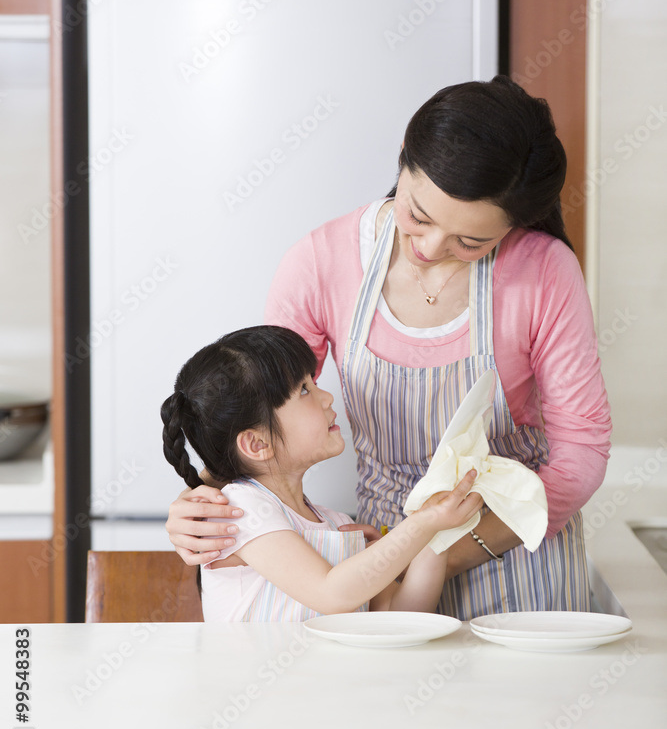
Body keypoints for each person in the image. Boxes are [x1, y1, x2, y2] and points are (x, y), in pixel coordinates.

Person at [164, 75, 612, 620]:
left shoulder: (543, 272)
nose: (430, 248)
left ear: (513, 226)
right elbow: (259, 407)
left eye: (470, 243)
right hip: (380, 558)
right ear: (403, 157)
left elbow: (581, 452)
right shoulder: (321, 261)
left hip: (517, 552)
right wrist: (204, 502)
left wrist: (448, 553)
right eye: (418, 216)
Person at [160, 325, 482, 621]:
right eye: (303, 390)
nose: (327, 397)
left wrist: (434, 529)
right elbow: (330, 593)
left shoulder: (337, 525)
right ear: (257, 443)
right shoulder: (239, 511)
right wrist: (421, 524)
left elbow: (401, 616)